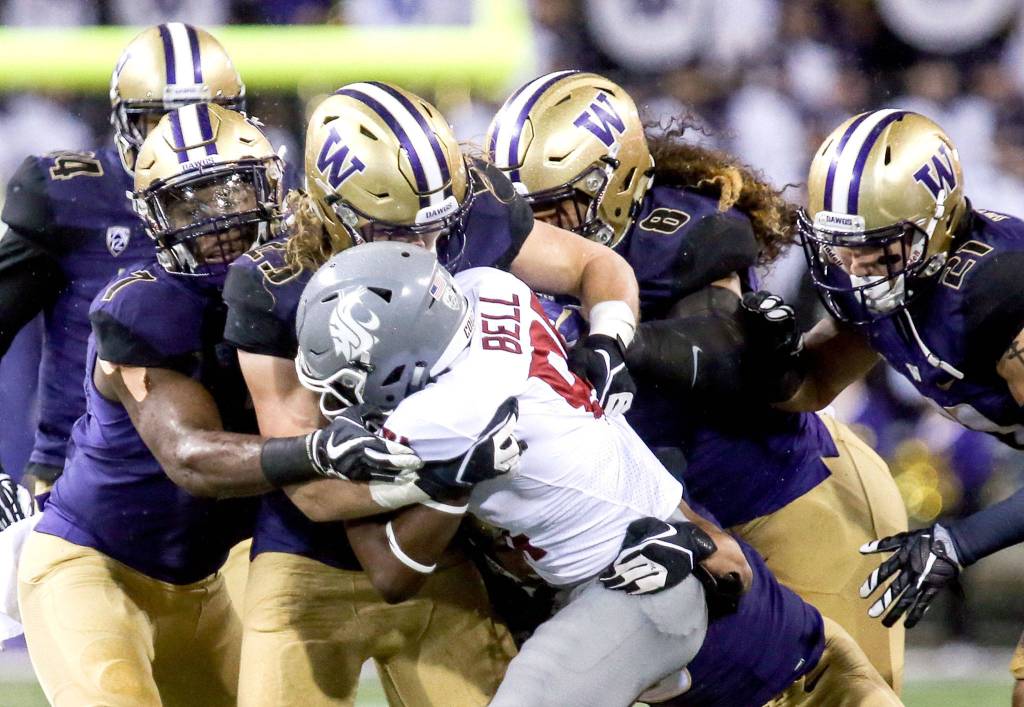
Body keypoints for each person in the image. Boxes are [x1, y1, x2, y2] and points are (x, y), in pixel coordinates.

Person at [288, 241, 901, 707]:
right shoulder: (488, 288)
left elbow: (348, 525)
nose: (342, 400)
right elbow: (596, 267)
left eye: (351, 378)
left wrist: (436, 480)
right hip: (678, 552)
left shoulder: (449, 413)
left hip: (653, 590)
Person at [223, 81, 647, 705]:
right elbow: (314, 487)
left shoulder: (471, 209)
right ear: (330, 210)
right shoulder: (273, 282)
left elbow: (596, 266)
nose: (422, 250)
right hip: (310, 557)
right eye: (392, 232)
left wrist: (609, 339)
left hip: (448, 549)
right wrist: (446, 475)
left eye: (435, 229)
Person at [484, 70, 908, 690]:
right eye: (523, 206)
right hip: (679, 520)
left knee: (843, 692)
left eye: (555, 205)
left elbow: (723, 354)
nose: (536, 226)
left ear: (617, 183)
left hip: (790, 497)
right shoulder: (505, 252)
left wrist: (606, 341)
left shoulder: (686, 231)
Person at [15, 104, 423, 706]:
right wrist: (323, 450)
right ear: (155, 218)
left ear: (272, 188)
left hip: (217, 578)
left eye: (232, 193)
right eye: (189, 204)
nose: (218, 222)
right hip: (98, 567)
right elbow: (189, 457)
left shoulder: (312, 282)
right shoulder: (143, 306)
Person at [785, 108, 1024, 703]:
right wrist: (757, 350)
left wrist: (959, 542)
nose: (853, 267)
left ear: (934, 224)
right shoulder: (896, 277)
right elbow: (809, 384)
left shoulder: (998, 291)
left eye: (875, 249)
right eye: (841, 246)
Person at [0, 23, 244, 496]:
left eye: (202, 120)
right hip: (81, 478)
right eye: (161, 121)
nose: (184, 145)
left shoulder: (267, 194)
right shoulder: (69, 195)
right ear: (125, 124)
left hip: (227, 477)